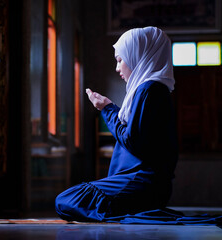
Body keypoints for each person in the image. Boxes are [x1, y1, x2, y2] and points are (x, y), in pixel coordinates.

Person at [55, 26, 178, 222]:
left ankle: (131, 210)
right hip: (146, 184)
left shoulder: (150, 89)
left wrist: (107, 109)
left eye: (120, 60)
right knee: (70, 199)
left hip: (141, 182)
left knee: (66, 200)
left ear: (138, 56)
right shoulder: (151, 89)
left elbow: (132, 140)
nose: (117, 67)